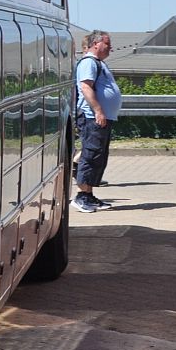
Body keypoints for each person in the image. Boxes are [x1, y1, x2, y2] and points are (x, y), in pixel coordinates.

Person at [74, 30, 121, 213]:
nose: (110, 48)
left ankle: (89, 194)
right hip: (92, 117)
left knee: (98, 156)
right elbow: (85, 87)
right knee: (91, 154)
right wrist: (98, 111)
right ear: (96, 44)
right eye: (107, 44)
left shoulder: (99, 63)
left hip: (101, 118)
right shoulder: (89, 63)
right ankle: (81, 196)